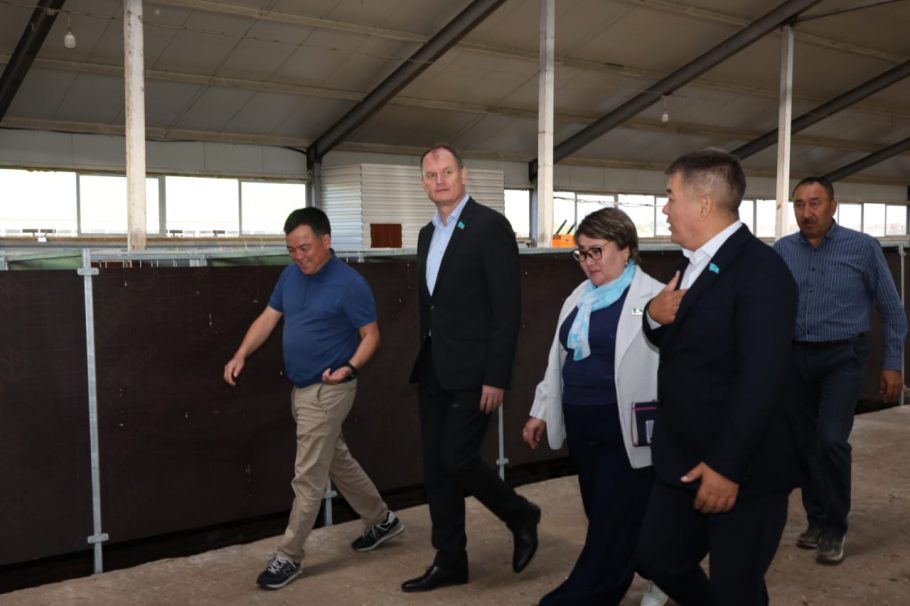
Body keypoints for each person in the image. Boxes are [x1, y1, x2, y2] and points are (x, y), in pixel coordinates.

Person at [635, 149, 799, 606]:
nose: (664, 208)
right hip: (684, 455)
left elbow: (761, 378)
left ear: (703, 204)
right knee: (657, 557)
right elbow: (682, 340)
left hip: (742, 465)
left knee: (736, 588)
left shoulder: (762, 272)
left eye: (671, 197)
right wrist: (651, 315)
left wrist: (728, 465)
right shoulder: (692, 262)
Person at [223, 207, 404, 590]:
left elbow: (371, 336)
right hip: (302, 388)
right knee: (337, 460)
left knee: (308, 476)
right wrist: (241, 354)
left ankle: (289, 556)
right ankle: (382, 520)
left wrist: (349, 368)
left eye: (304, 248)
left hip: (330, 389)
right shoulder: (290, 276)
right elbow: (268, 318)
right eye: (291, 250)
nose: (299, 257)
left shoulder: (350, 284)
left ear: (326, 241)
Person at [402, 144, 541, 592]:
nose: (439, 181)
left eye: (446, 172)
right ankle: (450, 559)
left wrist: (496, 376)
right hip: (434, 367)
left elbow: (507, 308)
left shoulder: (489, 226)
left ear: (463, 175)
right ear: (423, 183)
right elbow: (432, 306)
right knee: (436, 467)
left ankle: (520, 513)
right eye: (431, 175)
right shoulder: (426, 234)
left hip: (476, 371)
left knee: (457, 458)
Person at [522, 208, 668, 606]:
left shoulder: (647, 299)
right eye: (581, 253)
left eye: (596, 251)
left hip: (624, 424)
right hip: (581, 422)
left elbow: (651, 333)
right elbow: (557, 360)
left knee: (610, 518)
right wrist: (540, 410)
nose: (588, 262)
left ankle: (585, 595)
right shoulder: (579, 297)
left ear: (627, 249)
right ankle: (665, 572)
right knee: (604, 512)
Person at [774, 177, 907, 565]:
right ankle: (816, 520)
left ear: (833, 206)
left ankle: (835, 527)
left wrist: (893, 363)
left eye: (815, 203)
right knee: (804, 442)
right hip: (796, 358)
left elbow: (892, 309)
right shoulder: (783, 251)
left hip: (843, 357)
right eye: (800, 204)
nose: (807, 212)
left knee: (831, 439)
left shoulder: (863, 248)